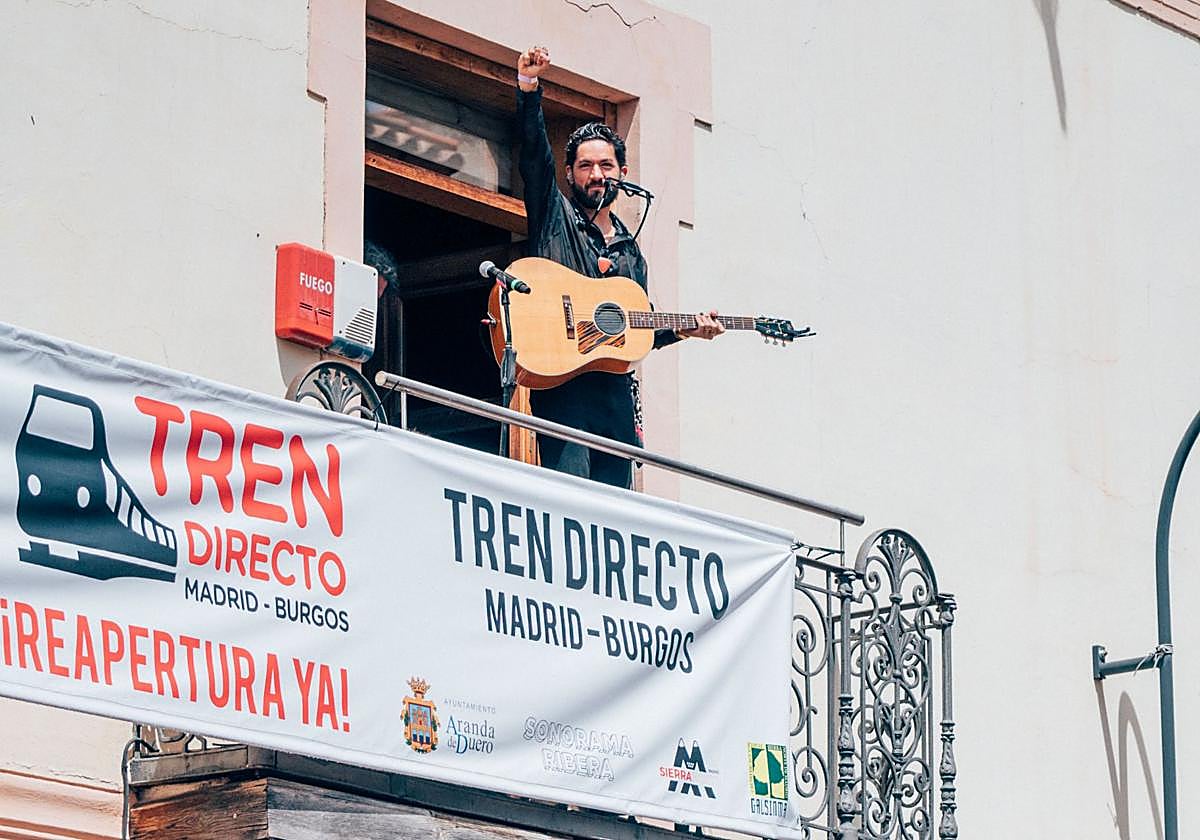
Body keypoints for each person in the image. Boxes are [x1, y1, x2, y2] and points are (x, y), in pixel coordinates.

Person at [515, 45, 723, 489]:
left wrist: (686, 327)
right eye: (585, 166)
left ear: (622, 172)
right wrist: (530, 89)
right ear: (570, 175)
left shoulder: (631, 255)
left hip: (613, 401)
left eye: (605, 165)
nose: (596, 174)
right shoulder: (555, 217)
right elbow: (534, 159)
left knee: (615, 505)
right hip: (563, 390)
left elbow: (636, 326)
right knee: (569, 496)